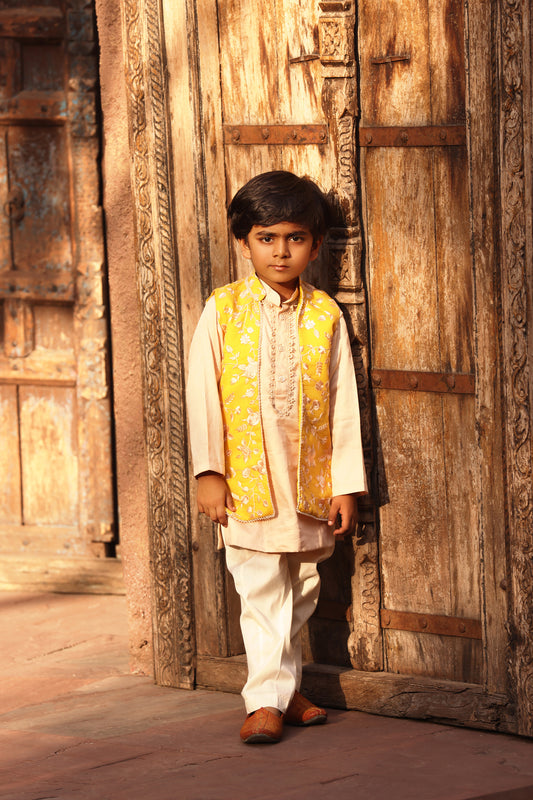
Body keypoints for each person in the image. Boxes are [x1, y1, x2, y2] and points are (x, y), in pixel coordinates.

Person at [186, 170, 367, 744]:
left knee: (303, 588)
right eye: (267, 238)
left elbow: (344, 406)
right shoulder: (224, 310)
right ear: (244, 243)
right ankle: (264, 701)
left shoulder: (326, 316)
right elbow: (202, 395)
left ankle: (284, 692)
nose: (281, 251)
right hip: (246, 482)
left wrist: (347, 484)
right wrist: (209, 473)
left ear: (315, 245)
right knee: (261, 588)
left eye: (295, 238)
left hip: (308, 481)